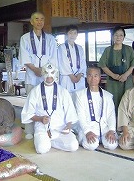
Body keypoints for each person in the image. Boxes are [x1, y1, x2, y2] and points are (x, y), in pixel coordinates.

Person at [21, 63, 79, 154]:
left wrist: (68, 126)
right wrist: (40, 118)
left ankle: (49, 141)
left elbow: (70, 112)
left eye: (52, 73)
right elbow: (28, 113)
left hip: (60, 127)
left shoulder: (63, 91)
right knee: (41, 149)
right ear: (42, 74)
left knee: (73, 146)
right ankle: (45, 141)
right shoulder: (35, 91)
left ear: (56, 74)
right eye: (46, 73)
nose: (49, 76)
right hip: (42, 127)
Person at [19, 11, 58, 139]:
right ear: (31, 21)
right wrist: (34, 69)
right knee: (31, 102)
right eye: (36, 19)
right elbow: (24, 56)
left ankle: (46, 127)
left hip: (46, 75)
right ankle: (29, 130)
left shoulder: (51, 39)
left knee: (46, 101)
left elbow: (53, 58)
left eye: (42, 19)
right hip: (31, 74)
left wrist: (45, 71)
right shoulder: (25, 38)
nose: (39, 21)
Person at [74, 66, 118, 151]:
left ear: (99, 77)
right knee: (91, 146)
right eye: (90, 75)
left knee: (112, 145)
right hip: (89, 129)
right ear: (86, 77)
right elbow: (81, 116)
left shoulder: (107, 96)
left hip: (105, 129)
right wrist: (87, 132)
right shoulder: (80, 95)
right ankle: (83, 138)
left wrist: (111, 130)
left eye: (95, 75)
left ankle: (104, 138)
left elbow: (111, 115)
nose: (93, 78)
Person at [99, 26, 134, 110]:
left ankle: (126, 122)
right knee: (112, 104)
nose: (118, 37)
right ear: (112, 36)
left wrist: (125, 75)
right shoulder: (108, 50)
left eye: (121, 35)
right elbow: (103, 65)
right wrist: (113, 75)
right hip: (112, 82)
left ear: (124, 37)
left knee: (127, 102)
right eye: (116, 35)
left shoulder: (129, 49)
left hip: (127, 81)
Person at [58, 25, 87, 93]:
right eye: (70, 33)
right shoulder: (61, 47)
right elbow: (63, 63)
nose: (72, 35)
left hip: (79, 78)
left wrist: (80, 75)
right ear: (66, 34)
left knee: (79, 97)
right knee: (66, 98)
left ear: (77, 35)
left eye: (74, 33)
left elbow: (83, 62)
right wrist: (71, 76)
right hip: (67, 77)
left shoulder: (80, 48)